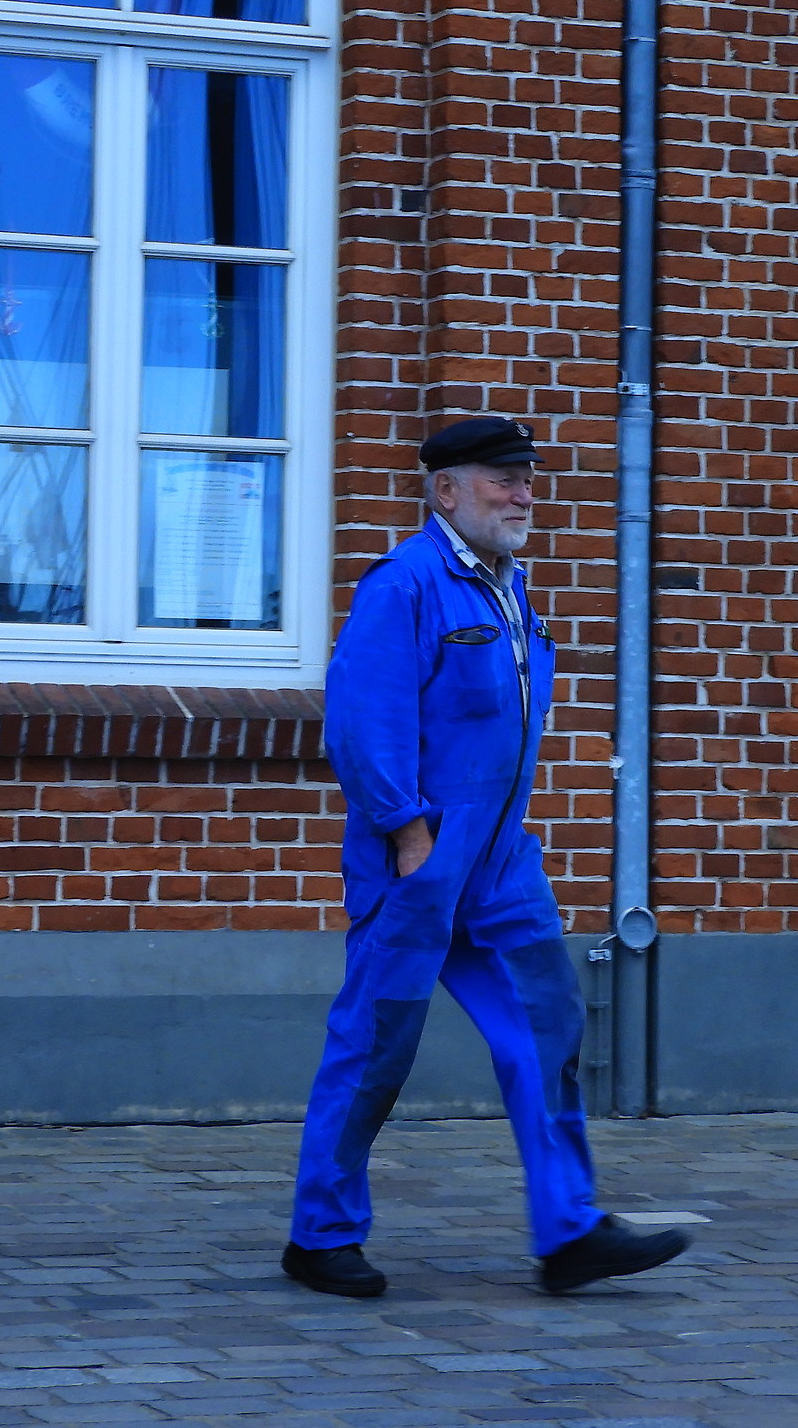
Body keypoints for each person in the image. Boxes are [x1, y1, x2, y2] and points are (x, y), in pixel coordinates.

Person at [282, 416, 693, 1298]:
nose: (523, 493)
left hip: (502, 862)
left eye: (528, 478)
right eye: (502, 478)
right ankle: (320, 1235)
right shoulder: (406, 585)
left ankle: (570, 1228)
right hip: (421, 860)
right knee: (376, 1046)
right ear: (445, 490)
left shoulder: (508, 587)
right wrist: (407, 833)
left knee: (546, 1027)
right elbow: (362, 720)